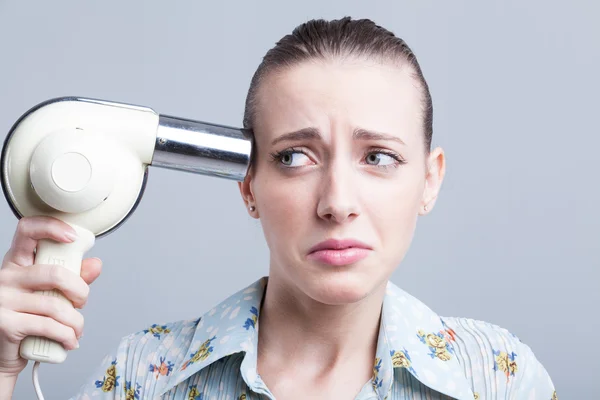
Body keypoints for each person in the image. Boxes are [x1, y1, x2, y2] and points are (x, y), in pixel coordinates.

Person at [0, 17, 557, 400]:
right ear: (247, 185)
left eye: (379, 157)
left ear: (428, 181)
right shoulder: (146, 376)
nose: (338, 203)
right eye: (294, 156)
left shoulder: (495, 378)